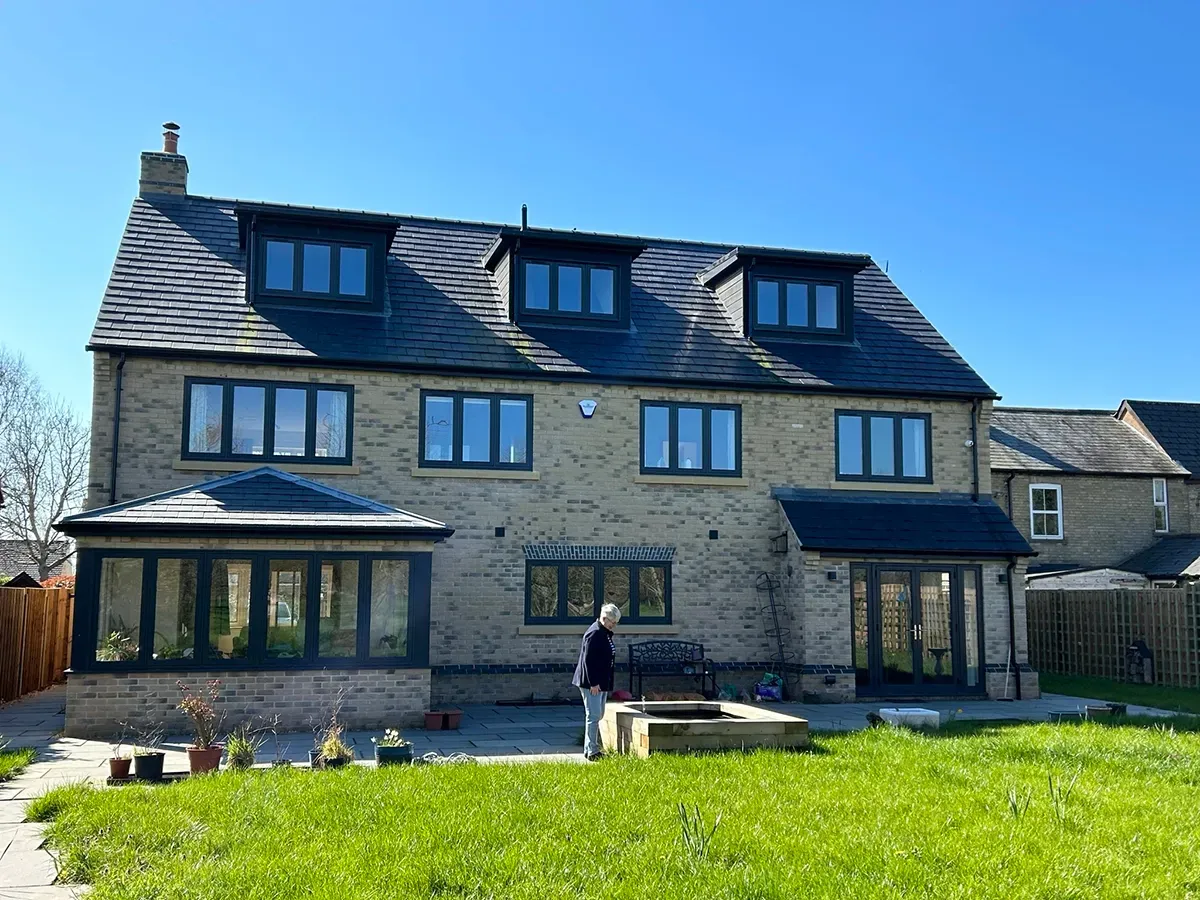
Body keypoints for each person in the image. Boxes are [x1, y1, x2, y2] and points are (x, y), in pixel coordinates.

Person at [572, 603, 620, 760]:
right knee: (593, 716)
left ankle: (589, 748)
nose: (614, 626)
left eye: (616, 623)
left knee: (598, 714)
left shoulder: (604, 632)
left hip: (601, 681)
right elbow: (588, 660)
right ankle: (592, 751)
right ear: (604, 618)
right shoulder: (595, 633)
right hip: (592, 683)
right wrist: (593, 683)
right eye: (612, 622)